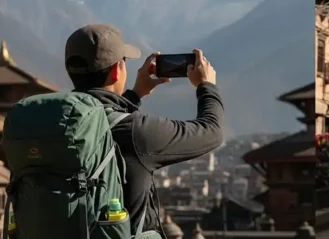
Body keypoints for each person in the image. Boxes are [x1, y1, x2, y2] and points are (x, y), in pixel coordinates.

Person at [64, 24, 224, 235]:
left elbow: (102, 116)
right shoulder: (135, 131)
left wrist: (135, 95)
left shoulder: (59, 123)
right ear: (116, 71)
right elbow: (211, 131)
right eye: (124, 62)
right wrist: (207, 86)